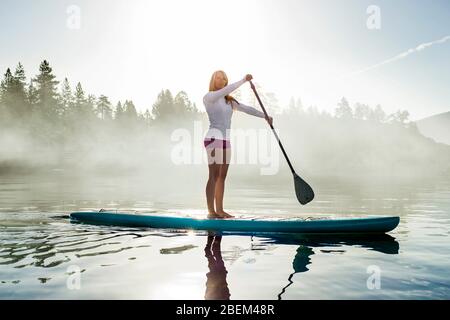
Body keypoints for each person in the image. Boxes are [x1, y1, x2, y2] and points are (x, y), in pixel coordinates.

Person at [203, 71, 273, 219]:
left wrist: (265, 116)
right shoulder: (209, 97)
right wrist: (243, 80)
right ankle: (211, 211)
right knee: (213, 176)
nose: (221, 80)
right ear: (213, 80)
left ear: (225, 81)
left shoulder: (230, 101)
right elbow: (226, 91)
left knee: (222, 177)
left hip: (226, 141)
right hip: (213, 138)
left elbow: (247, 109)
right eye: (218, 77)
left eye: (223, 78)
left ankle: (220, 211)